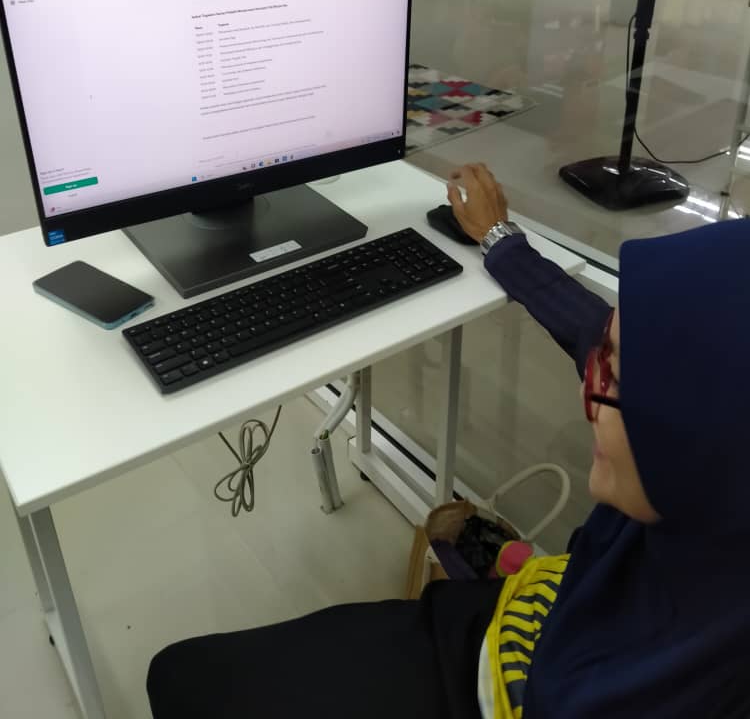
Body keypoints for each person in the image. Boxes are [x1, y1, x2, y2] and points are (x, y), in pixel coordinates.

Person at [147, 163, 750, 718]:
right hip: (518, 622)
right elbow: (590, 328)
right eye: (604, 358)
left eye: (610, 378)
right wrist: (500, 240)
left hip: (493, 685)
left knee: (179, 675)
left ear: (701, 437)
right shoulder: (711, 477)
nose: (586, 388)